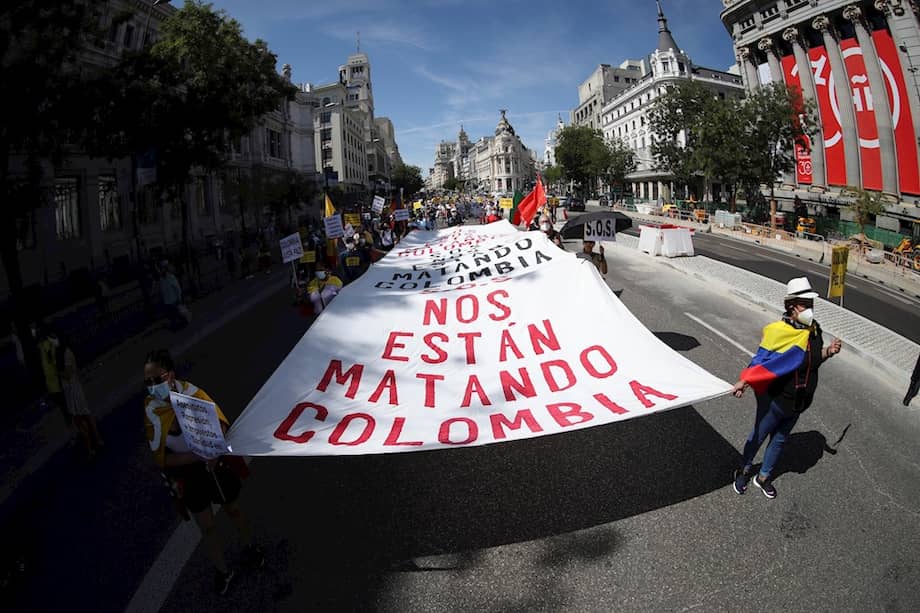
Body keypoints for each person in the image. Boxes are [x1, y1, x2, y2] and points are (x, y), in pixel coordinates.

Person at [142, 349, 263, 595]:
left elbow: (220, 426)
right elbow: (163, 459)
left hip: (215, 464)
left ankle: (250, 547)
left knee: (233, 509)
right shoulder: (151, 410)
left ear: (171, 375)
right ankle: (223, 570)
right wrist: (196, 456)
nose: (153, 387)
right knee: (206, 526)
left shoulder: (194, 395)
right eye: (148, 382)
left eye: (157, 380)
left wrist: (213, 453)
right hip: (189, 473)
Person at [731, 277, 842, 499]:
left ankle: (763, 477)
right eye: (805, 304)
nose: (810, 309)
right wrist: (744, 381)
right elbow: (761, 361)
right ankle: (743, 471)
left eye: (811, 304)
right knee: (758, 436)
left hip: (799, 402)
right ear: (791, 307)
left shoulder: (814, 330)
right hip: (774, 400)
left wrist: (828, 352)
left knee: (780, 440)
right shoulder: (777, 331)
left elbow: (812, 360)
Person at [56, 333, 104, 459]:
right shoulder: (64, 353)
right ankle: (95, 442)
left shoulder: (66, 353)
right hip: (72, 389)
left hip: (73, 389)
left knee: (80, 418)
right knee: (83, 416)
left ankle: (91, 446)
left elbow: (68, 374)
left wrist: (57, 372)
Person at [158, 262, 185, 330]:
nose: (161, 271)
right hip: (168, 301)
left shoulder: (170, 277)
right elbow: (162, 291)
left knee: (177, 313)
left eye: (163, 269)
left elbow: (177, 288)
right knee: (173, 315)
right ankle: (177, 324)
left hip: (173, 300)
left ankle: (179, 323)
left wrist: (179, 297)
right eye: (161, 269)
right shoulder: (162, 280)